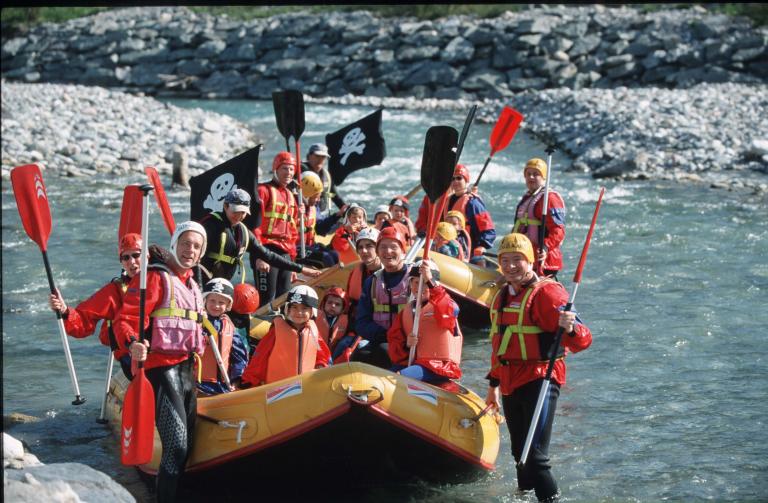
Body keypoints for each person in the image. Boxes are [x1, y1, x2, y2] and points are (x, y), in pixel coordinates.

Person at [484, 233, 592, 503]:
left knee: (536, 457)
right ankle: (523, 498)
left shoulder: (548, 293)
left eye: (517, 260)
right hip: (509, 380)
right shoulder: (502, 295)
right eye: (505, 260)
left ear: (530, 261)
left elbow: (583, 339)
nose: (510, 266)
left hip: (539, 379)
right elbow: (499, 345)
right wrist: (493, 386)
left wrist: (571, 327)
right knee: (519, 454)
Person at [113, 221, 208, 503]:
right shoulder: (156, 277)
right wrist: (133, 343)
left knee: (187, 448)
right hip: (160, 369)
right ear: (175, 245)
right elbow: (124, 320)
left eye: (196, 246)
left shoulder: (193, 282)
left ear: (201, 252)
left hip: (187, 370)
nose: (190, 250)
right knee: (176, 448)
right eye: (185, 243)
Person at [47, 233, 143, 380]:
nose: (132, 262)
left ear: (147, 256)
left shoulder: (162, 281)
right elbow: (84, 319)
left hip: (161, 350)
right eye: (126, 257)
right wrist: (64, 310)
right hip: (131, 357)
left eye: (136, 255)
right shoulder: (114, 291)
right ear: (122, 262)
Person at [198, 188, 320, 284]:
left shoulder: (244, 232)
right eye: (236, 211)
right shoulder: (211, 225)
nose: (239, 216)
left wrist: (301, 269)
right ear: (225, 206)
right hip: (203, 281)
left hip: (222, 284)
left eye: (243, 213)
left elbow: (269, 256)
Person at [387, 259, 462, 385]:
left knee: (396, 378)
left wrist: (430, 281)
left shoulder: (446, 305)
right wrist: (406, 344)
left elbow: (449, 309)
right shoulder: (407, 312)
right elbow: (394, 342)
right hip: (417, 365)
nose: (419, 287)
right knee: (385, 375)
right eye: (415, 282)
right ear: (410, 285)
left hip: (438, 367)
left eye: (425, 284)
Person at [241, 285, 331, 387]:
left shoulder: (313, 332)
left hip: (304, 387)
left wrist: (321, 365)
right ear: (287, 309)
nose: (299, 312)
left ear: (312, 311)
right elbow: (260, 358)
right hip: (277, 389)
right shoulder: (276, 331)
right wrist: (249, 380)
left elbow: (321, 354)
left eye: (304, 308)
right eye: (294, 307)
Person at [353, 227, 411, 368]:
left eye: (393, 247)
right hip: (382, 338)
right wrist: (387, 335)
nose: (388, 251)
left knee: (385, 353)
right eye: (383, 247)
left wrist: (429, 280)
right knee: (360, 355)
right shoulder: (372, 282)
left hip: (411, 342)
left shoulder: (416, 279)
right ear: (378, 252)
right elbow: (361, 322)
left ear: (403, 251)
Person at [415, 164, 496, 265]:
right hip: (451, 248)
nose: (455, 181)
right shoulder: (448, 199)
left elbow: (488, 230)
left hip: (468, 249)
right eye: (452, 179)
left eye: (459, 178)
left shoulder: (473, 203)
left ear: (466, 180)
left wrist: (483, 245)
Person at [253, 151, 301, 307]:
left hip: (285, 254)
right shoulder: (263, 191)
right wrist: (259, 256)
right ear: (276, 169)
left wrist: (292, 263)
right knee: (266, 299)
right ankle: (258, 330)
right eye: (285, 168)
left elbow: (293, 233)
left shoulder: (290, 196)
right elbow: (254, 225)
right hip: (267, 251)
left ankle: (277, 330)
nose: (289, 173)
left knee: (285, 299)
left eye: (291, 169)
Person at [512, 158, 566, 278]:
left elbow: (558, 230)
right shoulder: (528, 197)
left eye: (536, 174)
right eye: (528, 174)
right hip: (526, 256)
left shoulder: (550, 198)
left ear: (543, 177)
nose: (531, 177)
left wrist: (545, 248)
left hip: (544, 260)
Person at [198, 278, 249, 395]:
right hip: (199, 384)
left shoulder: (229, 327)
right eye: (212, 301)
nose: (216, 306)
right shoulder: (197, 322)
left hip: (223, 385)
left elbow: (240, 357)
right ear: (205, 300)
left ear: (227, 305)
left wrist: (236, 380)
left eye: (221, 303)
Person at [298, 171, 343, 268]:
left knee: (336, 255)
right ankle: (326, 281)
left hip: (309, 245)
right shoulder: (293, 206)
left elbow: (320, 228)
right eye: (316, 197)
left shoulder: (313, 208)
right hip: (296, 247)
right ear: (306, 196)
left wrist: (337, 216)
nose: (318, 200)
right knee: (326, 258)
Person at [345, 227, 382, 318]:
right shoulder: (355, 272)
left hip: (381, 320)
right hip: (358, 318)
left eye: (369, 246)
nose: (363, 251)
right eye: (360, 247)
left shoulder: (390, 272)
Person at [301, 143, 346, 215]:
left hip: (320, 216)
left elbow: (334, 196)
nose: (320, 159)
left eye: (323, 157)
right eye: (317, 156)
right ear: (309, 156)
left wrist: (347, 210)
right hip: (303, 214)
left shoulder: (326, 175)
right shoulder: (300, 170)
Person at [315, 287, 357, 363]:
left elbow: (353, 336)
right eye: (329, 302)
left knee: (348, 340)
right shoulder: (314, 316)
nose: (333, 306)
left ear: (343, 308)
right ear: (324, 304)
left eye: (337, 304)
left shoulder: (348, 320)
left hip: (335, 356)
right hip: (317, 354)